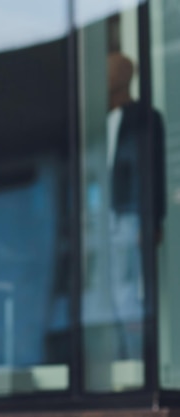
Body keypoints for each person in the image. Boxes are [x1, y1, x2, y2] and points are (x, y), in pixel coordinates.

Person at [106, 52, 165, 359]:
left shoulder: (145, 118)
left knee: (130, 293)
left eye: (111, 71)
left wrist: (154, 219)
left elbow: (153, 170)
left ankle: (138, 362)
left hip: (130, 216)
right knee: (107, 294)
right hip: (101, 217)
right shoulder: (95, 121)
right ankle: (119, 358)